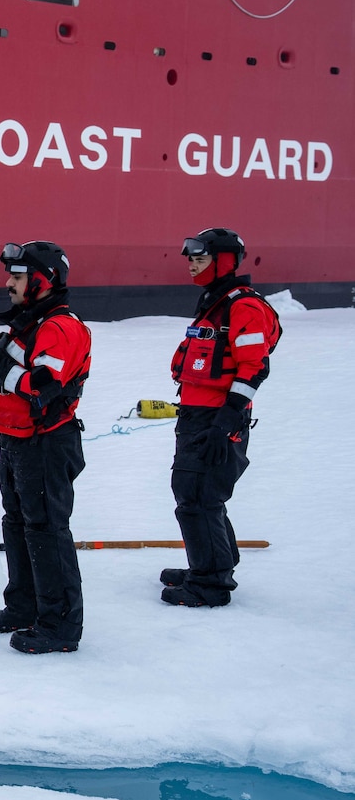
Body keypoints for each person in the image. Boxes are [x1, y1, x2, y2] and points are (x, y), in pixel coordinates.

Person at [0, 241, 92, 654]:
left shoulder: (59, 327)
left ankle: (60, 625)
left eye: (17, 277)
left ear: (43, 280)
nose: (8, 283)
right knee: (18, 524)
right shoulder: (26, 322)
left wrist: (1, 366)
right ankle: (24, 606)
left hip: (47, 442)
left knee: (46, 530)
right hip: (18, 440)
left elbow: (43, 386)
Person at [162, 228, 282, 608]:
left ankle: (210, 582)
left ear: (224, 262)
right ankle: (213, 562)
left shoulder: (242, 306)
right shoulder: (216, 302)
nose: (193, 266)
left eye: (201, 259)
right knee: (199, 492)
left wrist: (227, 420)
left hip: (216, 419)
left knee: (197, 496)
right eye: (191, 259)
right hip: (197, 415)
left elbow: (254, 368)